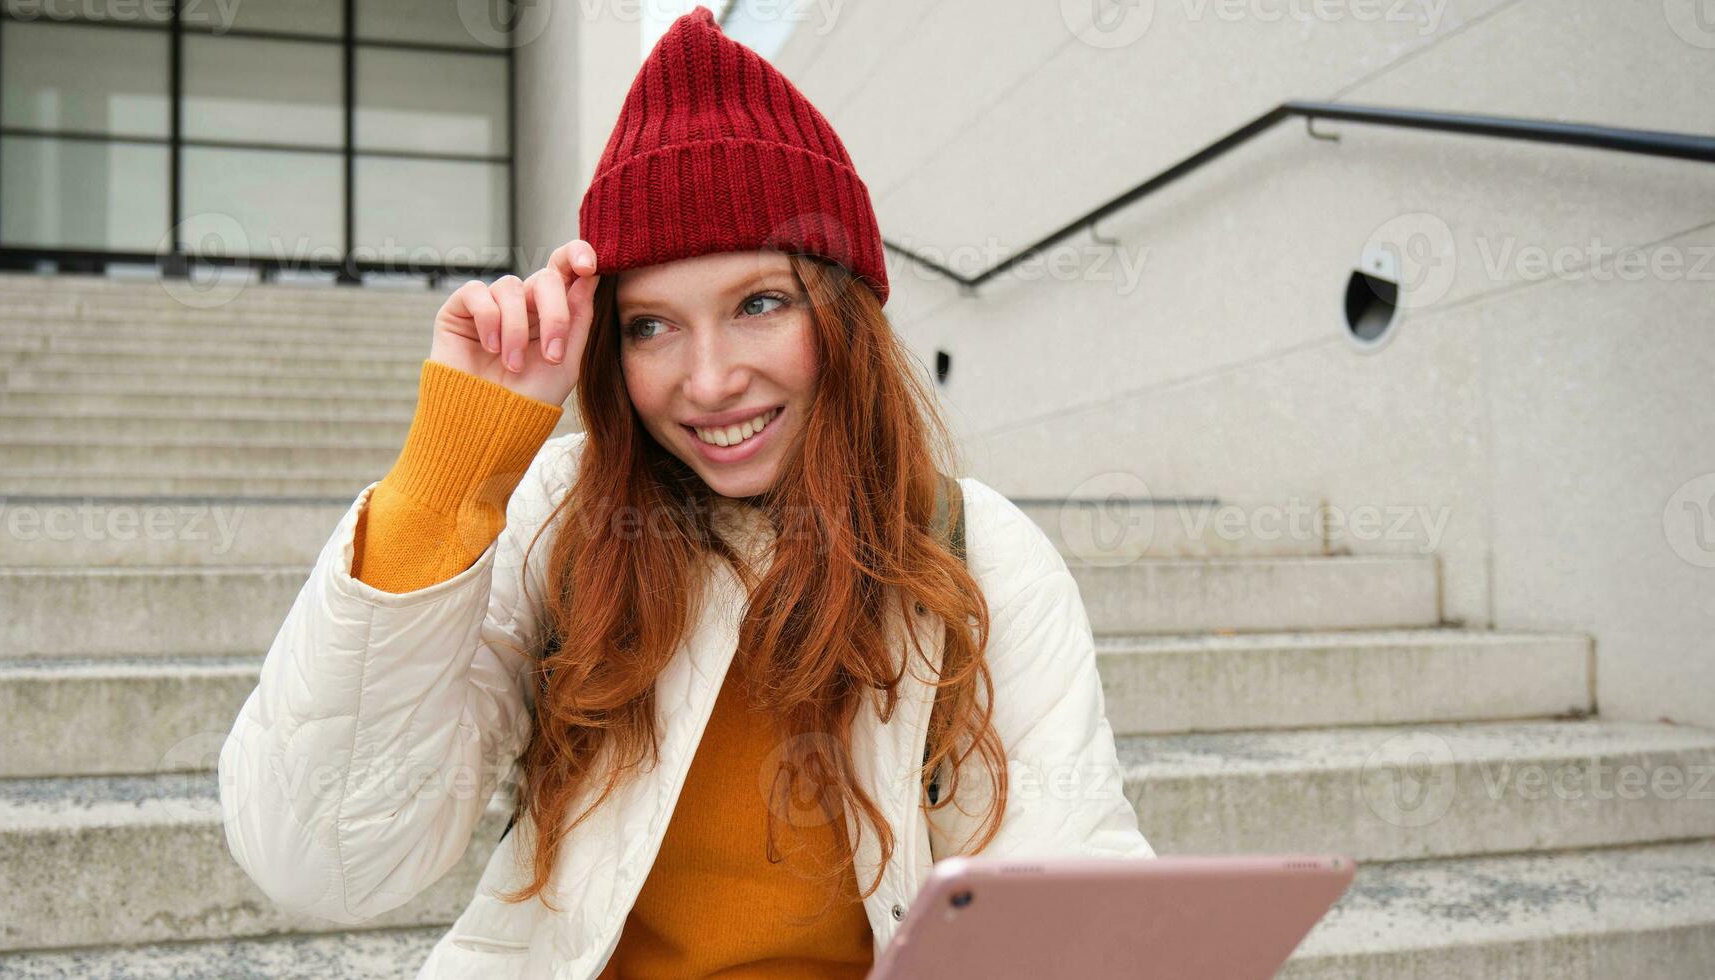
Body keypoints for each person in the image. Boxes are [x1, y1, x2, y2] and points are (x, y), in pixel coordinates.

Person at [217, 7, 1152, 978]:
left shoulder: (978, 550)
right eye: (651, 326)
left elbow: (1067, 896)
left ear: (842, 312)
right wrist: (450, 474)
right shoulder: (560, 519)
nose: (707, 381)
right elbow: (318, 856)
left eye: (758, 304)